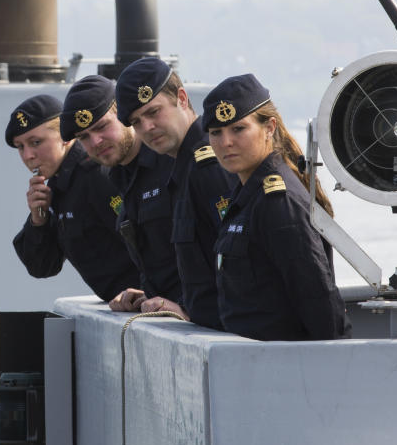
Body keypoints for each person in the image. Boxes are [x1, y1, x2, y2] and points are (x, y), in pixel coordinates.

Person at [203, 74, 349, 341]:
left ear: (269, 128)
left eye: (238, 129)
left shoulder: (279, 202)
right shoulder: (248, 195)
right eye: (216, 133)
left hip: (283, 367)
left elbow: (318, 299)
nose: (225, 143)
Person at [115, 58, 237, 330]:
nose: (146, 127)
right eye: (136, 122)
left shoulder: (210, 163)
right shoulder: (181, 168)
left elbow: (239, 265)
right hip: (209, 329)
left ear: (182, 98)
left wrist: (190, 310)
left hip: (232, 336)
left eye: (153, 112)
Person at [60, 75, 181, 312]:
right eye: (83, 136)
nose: (95, 141)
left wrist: (187, 306)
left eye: (102, 126)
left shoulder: (171, 164)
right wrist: (148, 294)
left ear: (125, 115)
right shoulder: (120, 177)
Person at [7, 94, 140, 302]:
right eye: (20, 147)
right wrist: (38, 221)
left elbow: (147, 244)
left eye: (36, 142)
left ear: (65, 137)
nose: (28, 155)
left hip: (148, 304)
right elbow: (42, 266)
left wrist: (151, 293)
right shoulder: (57, 187)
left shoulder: (96, 175)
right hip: (126, 306)